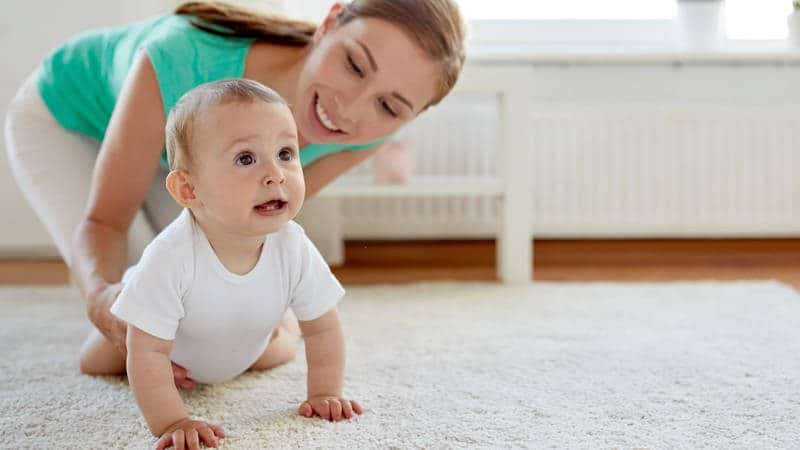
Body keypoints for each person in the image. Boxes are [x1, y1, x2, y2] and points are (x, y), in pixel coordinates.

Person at [3, 0, 466, 389]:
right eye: (353, 64)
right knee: (143, 292)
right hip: (66, 120)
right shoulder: (181, 55)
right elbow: (104, 221)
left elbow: (261, 227)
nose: (350, 107)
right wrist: (102, 300)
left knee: (197, 290)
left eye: (389, 106)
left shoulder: (368, 132)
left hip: (182, 159)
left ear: (409, 116)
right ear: (330, 22)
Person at [84, 78, 362, 449]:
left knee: (280, 349)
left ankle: (281, 323)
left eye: (285, 153)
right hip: (167, 341)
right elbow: (148, 353)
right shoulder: (170, 257)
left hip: (245, 343)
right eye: (246, 158)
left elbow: (324, 330)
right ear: (188, 190)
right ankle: (273, 322)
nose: (276, 174)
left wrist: (324, 392)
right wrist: (173, 421)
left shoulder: (292, 244)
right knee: (98, 361)